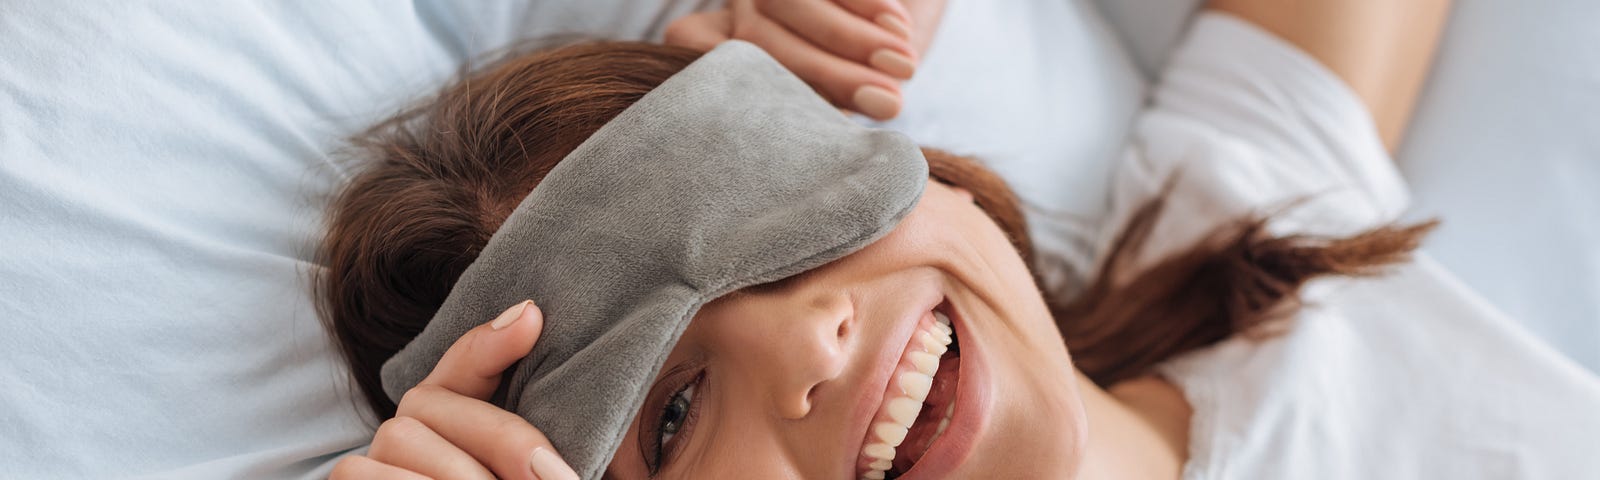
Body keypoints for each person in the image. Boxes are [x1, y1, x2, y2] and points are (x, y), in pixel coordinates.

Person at [321, 0, 1600, 479]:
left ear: (934, 181)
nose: (809, 337)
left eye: (782, 219)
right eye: (669, 416)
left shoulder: (1248, 240)